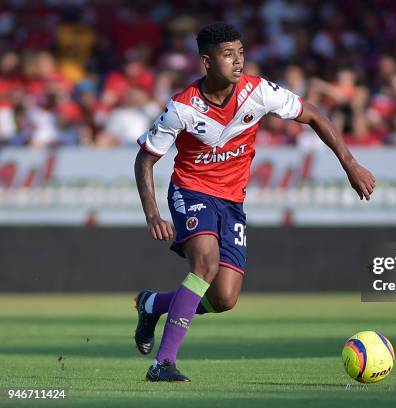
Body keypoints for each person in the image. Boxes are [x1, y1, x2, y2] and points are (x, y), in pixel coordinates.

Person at [133, 22, 375, 382]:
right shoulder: (182, 109)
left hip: (232, 201)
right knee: (205, 264)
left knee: (224, 298)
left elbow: (313, 115)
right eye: (228, 54)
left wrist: (351, 164)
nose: (238, 61)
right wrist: (152, 213)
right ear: (207, 62)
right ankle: (163, 363)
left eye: (241, 52)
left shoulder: (258, 92)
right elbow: (145, 159)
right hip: (191, 191)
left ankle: (152, 305)